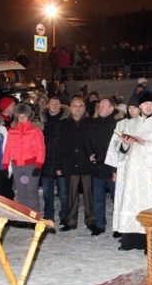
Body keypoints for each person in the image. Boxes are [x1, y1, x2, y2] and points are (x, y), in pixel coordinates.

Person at [115, 91, 152, 252]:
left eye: (151, 104)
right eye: (145, 104)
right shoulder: (129, 123)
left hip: (151, 172)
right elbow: (119, 148)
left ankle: (149, 245)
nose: (149, 107)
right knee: (132, 202)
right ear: (139, 106)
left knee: (148, 204)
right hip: (133, 171)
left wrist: (146, 143)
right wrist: (125, 144)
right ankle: (129, 241)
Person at [55, 96, 94, 231]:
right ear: (70, 108)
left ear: (84, 108)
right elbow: (58, 146)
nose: (77, 108)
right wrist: (58, 165)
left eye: (80, 106)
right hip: (70, 164)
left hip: (87, 164)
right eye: (74, 106)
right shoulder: (63, 124)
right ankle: (71, 221)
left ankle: (90, 219)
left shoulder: (91, 123)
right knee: (71, 195)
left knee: (89, 194)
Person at [87, 97, 124, 236]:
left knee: (117, 198)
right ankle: (99, 224)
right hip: (97, 166)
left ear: (111, 108)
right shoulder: (94, 123)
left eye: (102, 106)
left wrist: (114, 167)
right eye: (99, 105)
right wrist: (90, 153)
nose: (99, 108)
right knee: (98, 197)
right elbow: (87, 139)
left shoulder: (118, 124)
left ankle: (119, 226)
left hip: (112, 168)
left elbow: (119, 147)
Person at [105, 95, 140, 240]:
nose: (132, 111)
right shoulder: (121, 124)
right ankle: (121, 226)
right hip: (123, 165)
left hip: (139, 167)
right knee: (121, 196)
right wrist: (114, 170)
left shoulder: (146, 125)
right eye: (130, 108)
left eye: (135, 108)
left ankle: (137, 227)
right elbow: (114, 146)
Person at [2, 103, 45, 212]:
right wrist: (5, 165)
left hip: (31, 165)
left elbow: (40, 148)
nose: (21, 119)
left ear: (28, 117)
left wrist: (38, 164)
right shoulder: (12, 131)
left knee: (31, 192)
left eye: (24, 117)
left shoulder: (35, 131)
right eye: (19, 117)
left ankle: (34, 215)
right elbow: (8, 149)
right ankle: (24, 215)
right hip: (17, 165)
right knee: (21, 192)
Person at [39, 97, 70, 225]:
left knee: (63, 192)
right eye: (52, 104)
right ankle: (48, 215)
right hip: (46, 162)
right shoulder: (42, 122)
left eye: (57, 103)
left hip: (61, 162)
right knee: (47, 192)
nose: (55, 106)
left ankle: (64, 215)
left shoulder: (66, 121)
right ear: (48, 105)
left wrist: (63, 163)